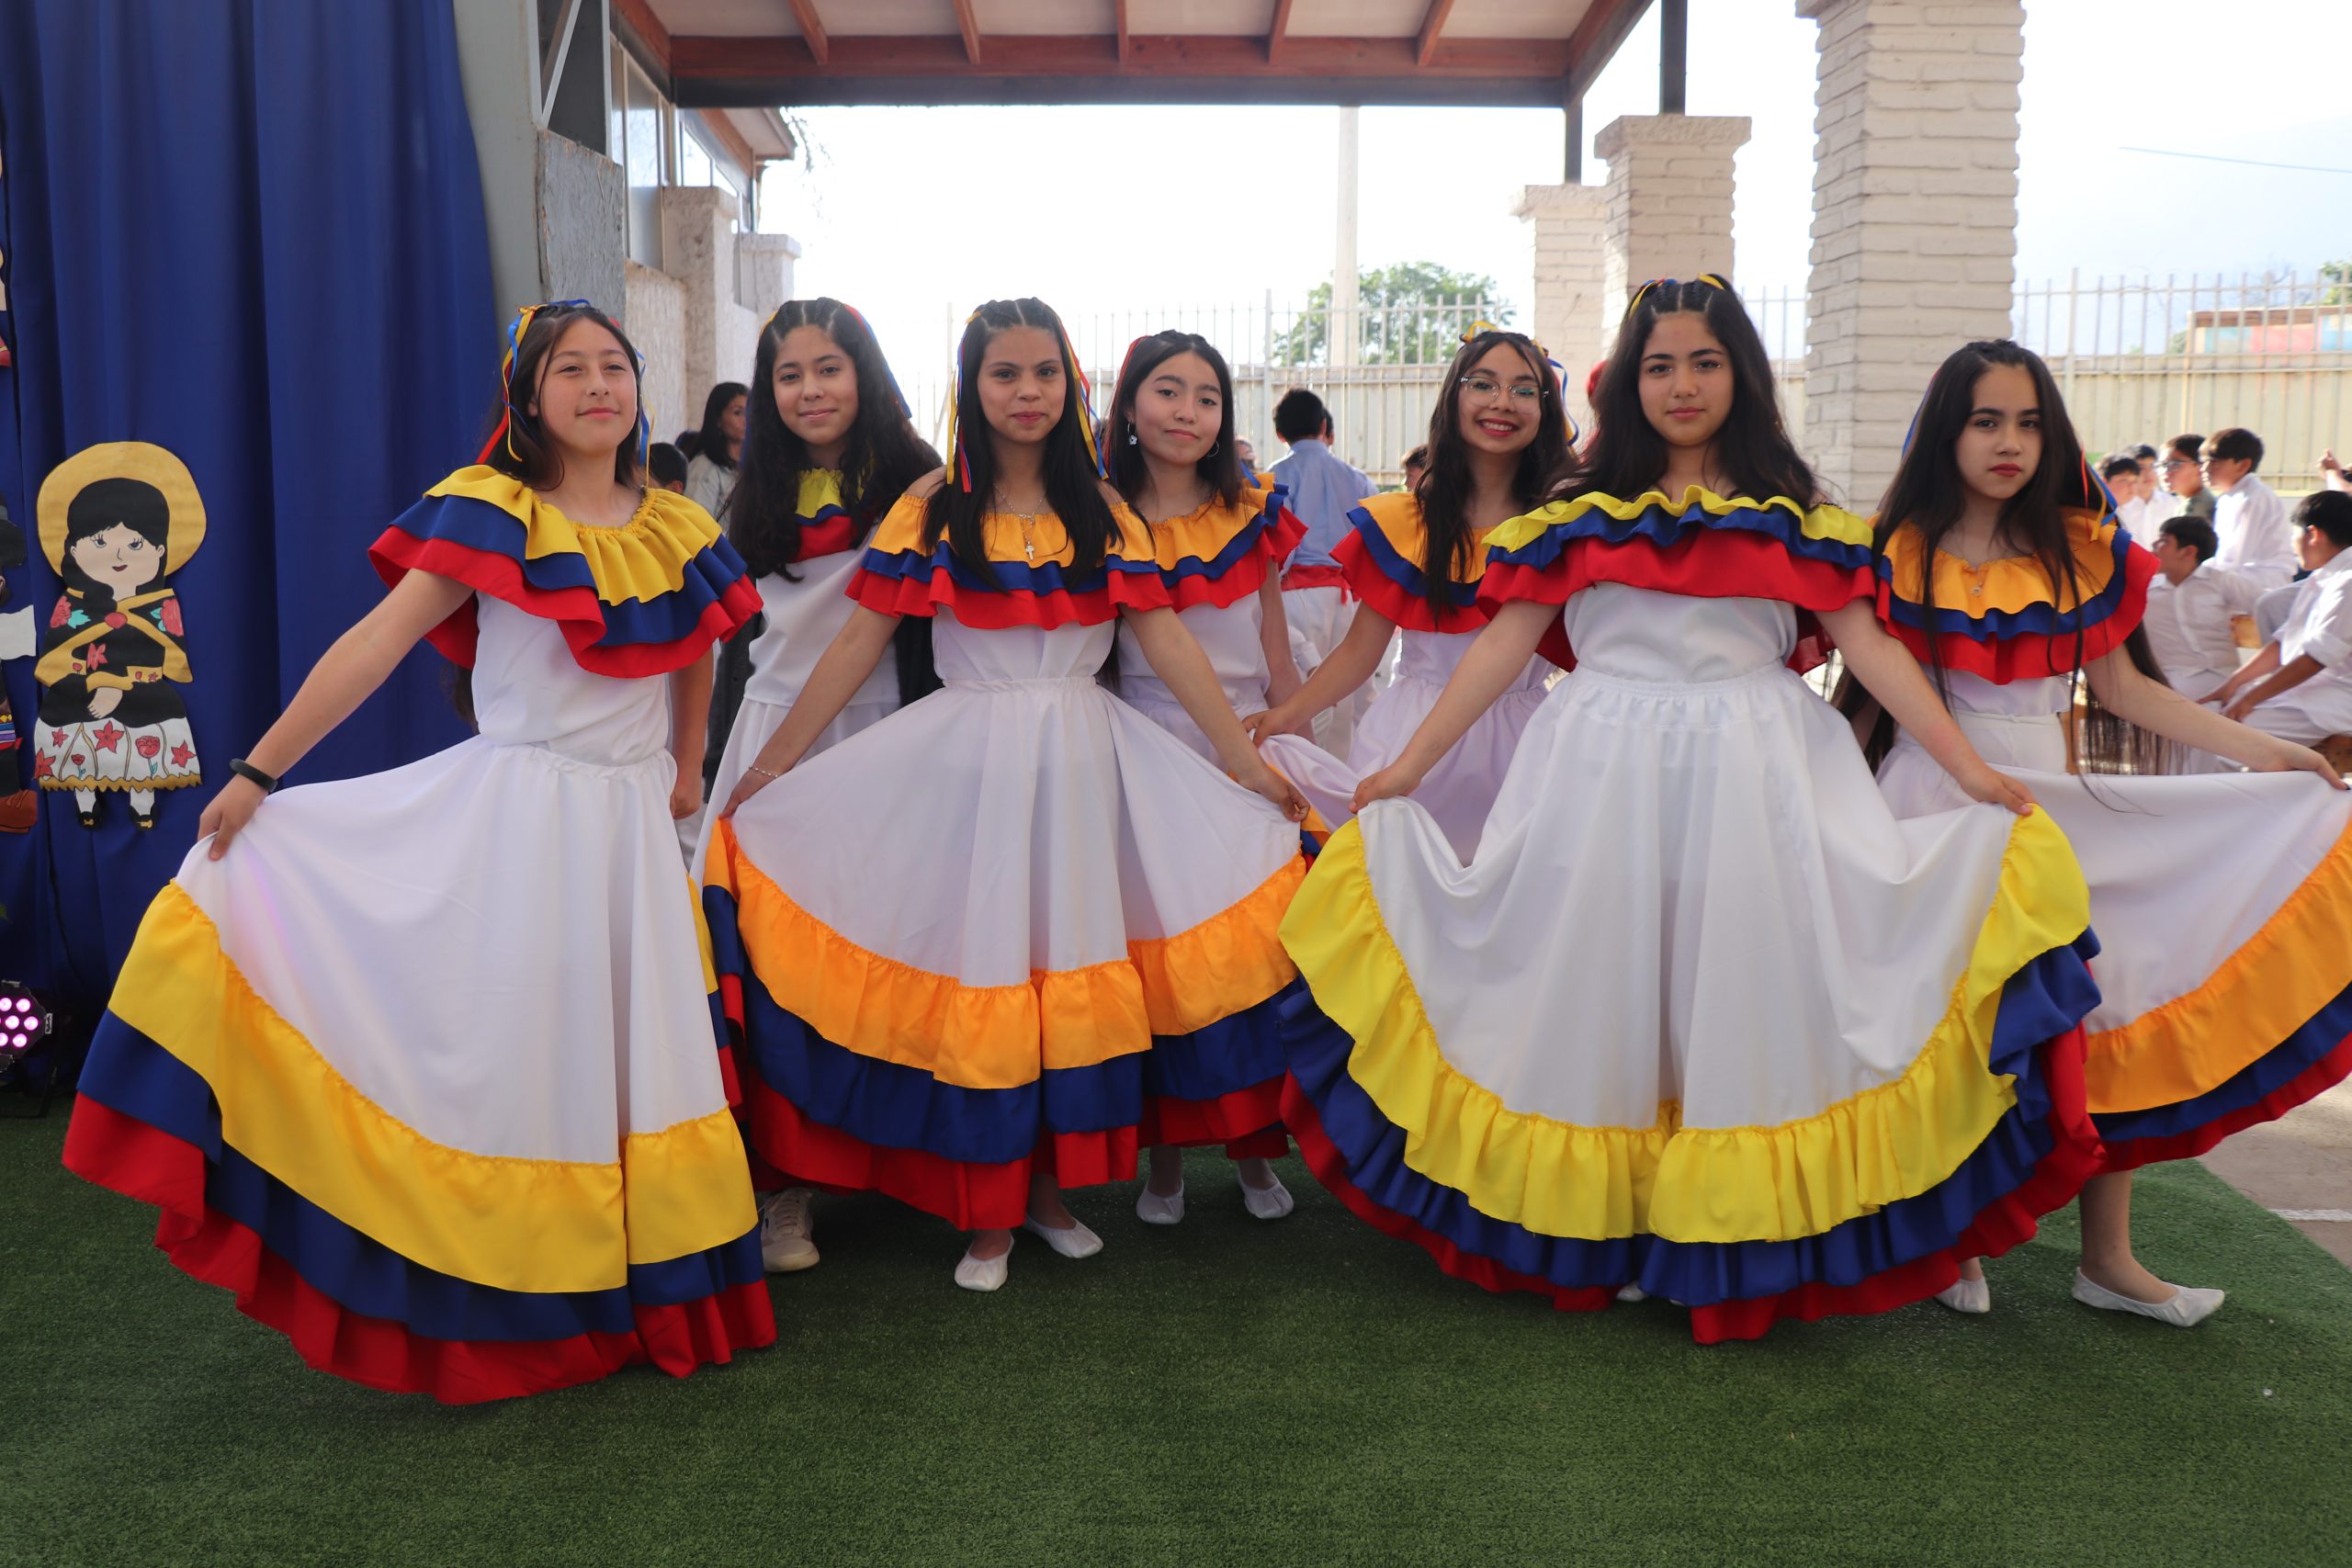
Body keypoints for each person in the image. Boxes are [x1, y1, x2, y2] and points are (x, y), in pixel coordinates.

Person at [1275, 276, 2098, 1344]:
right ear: (1629, 383)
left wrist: (1972, 772)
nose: (1682, 384)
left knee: (1737, 987)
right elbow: (1500, 649)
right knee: (1604, 986)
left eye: (1704, 362)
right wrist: (1405, 769)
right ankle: (1606, 1229)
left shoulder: (1799, 518)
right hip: (1598, 774)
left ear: (1740, 375)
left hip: (1755, 777)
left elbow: (1872, 651)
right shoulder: (1573, 513)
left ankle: (1719, 1235)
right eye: (1658, 364)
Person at [59, 301, 773, 1401]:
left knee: (634, 1050)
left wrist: (687, 761)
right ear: (526, 397)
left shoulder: (675, 523)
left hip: (632, 826)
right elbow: (376, 642)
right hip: (527, 821)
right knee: (529, 1051)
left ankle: (644, 1285)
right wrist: (259, 771)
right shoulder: (492, 512)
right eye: (570, 368)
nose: (598, 384)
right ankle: (517, 1297)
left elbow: (693, 647)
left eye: (614, 365)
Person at [706, 297, 1309, 1292]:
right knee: (987, 974)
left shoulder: (1103, 509)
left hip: (1081, 768)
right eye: (1004, 374)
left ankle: (1047, 1196)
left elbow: (1161, 634)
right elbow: (857, 641)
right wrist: (770, 769)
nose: (1027, 392)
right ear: (971, 386)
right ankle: (984, 1214)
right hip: (971, 767)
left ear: (1071, 387)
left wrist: (1246, 767)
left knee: (1057, 975)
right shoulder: (934, 507)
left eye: (1044, 374)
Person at [1855, 338, 2349, 1325]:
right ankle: (1951, 1239)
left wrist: (2269, 753)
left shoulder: (2080, 550)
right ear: (1945, 431)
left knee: (2104, 1004)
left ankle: (2107, 1258)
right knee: (1947, 1024)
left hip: (2050, 809)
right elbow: (1876, 693)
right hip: (1932, 802)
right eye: (1985, 421)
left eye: (2029, 423)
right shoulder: (1892, 551)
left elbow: (2124, 690)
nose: (2008, 442)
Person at [694, 299, 942, 1275]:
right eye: (788, 375)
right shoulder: (748, 495)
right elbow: (730, 651)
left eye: (828, 368)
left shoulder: (922, 483)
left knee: (891, 950)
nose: (810, 390)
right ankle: (782, 1186)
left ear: (864, 373)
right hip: (772, 746)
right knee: (770, 964)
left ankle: (901, 1159)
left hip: (891, 738)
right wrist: (721, 765)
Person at [1100, 329, 1310, 1224]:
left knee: (1257, 960)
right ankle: (1165, 1163)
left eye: (1207, 397)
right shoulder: (1097, 516)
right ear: (1128, 406)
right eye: (1167, 391)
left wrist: (1295, 745)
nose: (1187, 412)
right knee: (1165, 964)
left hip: (1249, 754)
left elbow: (1276, 651)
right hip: (1144, 757)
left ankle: (1257, 1154)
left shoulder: (1252, 512)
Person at [1250, 329, 1575, 862]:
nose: (1502, 402)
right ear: (1453, 397)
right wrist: (1284, 716)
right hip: (1408, 732)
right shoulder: (1409, 522)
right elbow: (1360, 651)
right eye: (1483, 384)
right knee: (1391, 885)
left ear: (1546, 409)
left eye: (1523, 390)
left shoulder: (1561, 523)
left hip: (1522, 744)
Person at [1268, 388, 1377, 755]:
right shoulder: (1357, 478)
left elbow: (1281, 546)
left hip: (1297, 594)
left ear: (1280, 433)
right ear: (1324, 426)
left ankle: (1307, 769)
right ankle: (1342, 774)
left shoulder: (1277, 475)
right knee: (1346, 689)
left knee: (1303, 688)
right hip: (1347, 596)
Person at [2207, 491, 2352, 745]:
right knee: (2209, 718)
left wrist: (2250, 699)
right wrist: (2234, 683)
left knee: (2226, 737)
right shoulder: (2324, 576)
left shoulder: (2347, 581)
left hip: (2339, 697)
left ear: (2313, 535)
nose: (2291, 545)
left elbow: (2315, 659)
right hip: (2315, 690)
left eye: (2293, 534)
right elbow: (2284, 641)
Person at [2143, 515, 2266, 768]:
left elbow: (2269, 608)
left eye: (2164, 541)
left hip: (2222, 678)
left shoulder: (2221, 582)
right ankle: (2181, 785)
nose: (2154, 546)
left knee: (2210, 714)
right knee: (2169, 708)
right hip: (2170, 678)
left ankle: (2203, 784)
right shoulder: (2146, 590)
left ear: (2188, 552)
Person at [2202, 426, 2295, 592]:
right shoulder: (2228, 497)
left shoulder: (2251, 498)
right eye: (2203, 462)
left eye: (2214, 462)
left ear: (2243, 465)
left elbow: (2233, 558)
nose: (2204, 468)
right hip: (2240, 576)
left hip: (2263, 581)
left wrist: (2198, 573)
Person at [685, 381, 748, 520]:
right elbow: (696, 524)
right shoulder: (704, 467)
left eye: (750, 412)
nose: (746, 420)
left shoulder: (753, 463)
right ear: (718, 420)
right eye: (738, 413)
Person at [2145, 432, 2217, 526]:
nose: (2165, 472)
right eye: (2162, 465)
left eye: (2175, 464)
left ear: (2200, 467)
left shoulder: (2197, 511)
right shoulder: (2184, 503)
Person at [2100, 453, 2147, 532]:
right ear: (2103, 482)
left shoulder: (2134, 510)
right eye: (2124, 480)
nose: (2132, 486)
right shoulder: (2096, 514)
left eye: (2135, 481)